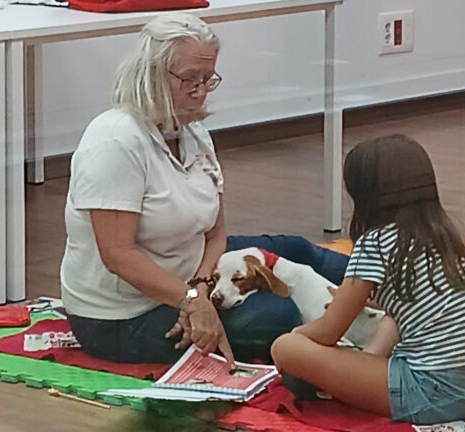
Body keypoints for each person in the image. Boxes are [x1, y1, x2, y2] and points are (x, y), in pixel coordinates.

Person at [60, 12, 301, 366]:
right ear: (152, 74)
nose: (200, 90)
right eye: (189, 78)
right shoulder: (114, 140)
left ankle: (385, 291)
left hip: (191, 277)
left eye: (208, 79)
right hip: (121, 317)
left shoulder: (193, 133)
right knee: (278, 316)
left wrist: (201, 288)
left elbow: (215, 234)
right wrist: (190, 302)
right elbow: (118, 255)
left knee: (294, 249)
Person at [270, 134, 465, 425]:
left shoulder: (376, 243)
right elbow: (416, 304)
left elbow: (328, 332)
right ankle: (367, 364)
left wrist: (298, 337)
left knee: (285, 348)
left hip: (431, 394)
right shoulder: (444, 236)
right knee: (392, 318)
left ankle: (358, 373)